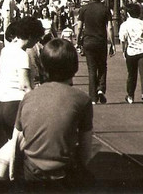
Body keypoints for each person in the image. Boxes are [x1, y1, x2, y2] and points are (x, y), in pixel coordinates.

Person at [14, 38, 94, 184]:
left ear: (43, 67)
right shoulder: (82, 99)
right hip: (64, 172)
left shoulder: (29, 97)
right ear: (74, 67)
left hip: (32, 170)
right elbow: (86, 150)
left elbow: (17, 140)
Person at [0, 17, 43, 139]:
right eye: (36, 38)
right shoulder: (22, 55)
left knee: (11, 144)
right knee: (22, 146)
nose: (36, 42)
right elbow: (24, 85)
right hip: (17, 103)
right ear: (30, 36)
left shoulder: (5, 50)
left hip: (3, 102)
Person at [75, 0, 114, 104]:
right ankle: (101, 89)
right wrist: (111, 43)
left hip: (88, 41)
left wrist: (78, 41)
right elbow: (110, 28)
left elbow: (79, 27)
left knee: (91, 69)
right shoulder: (105, 9)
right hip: (101, 41)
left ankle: (93, 97)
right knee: (102, 66)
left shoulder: (84, 9)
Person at [118, 1, 143, 105]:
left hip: (131, 51)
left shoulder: (125, 25)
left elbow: (123, 40)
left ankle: (130, 95)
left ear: (128, 13)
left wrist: (124, 51)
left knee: (131, 75)